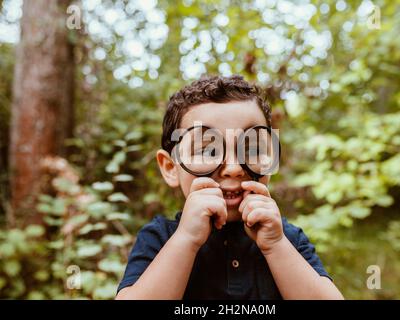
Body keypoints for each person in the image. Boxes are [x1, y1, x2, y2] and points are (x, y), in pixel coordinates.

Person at [116, 75, 343, 299]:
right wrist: (186, 239)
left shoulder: (288, 239)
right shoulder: (159, 238)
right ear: (170, 167)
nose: (234, 168)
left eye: (252, 148)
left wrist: (275, 246)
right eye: (208, 150)